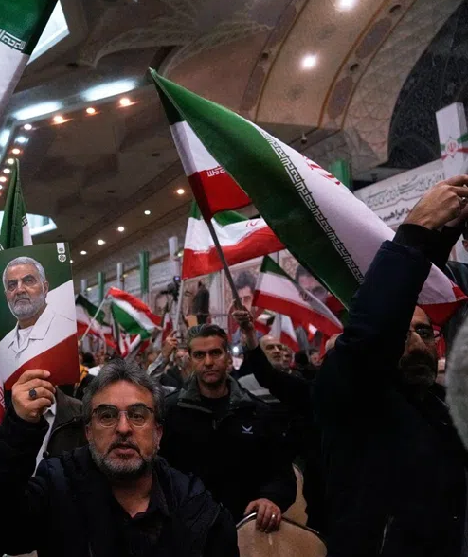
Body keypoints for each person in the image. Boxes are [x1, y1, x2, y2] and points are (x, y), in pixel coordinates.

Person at [314, 176, 468, 556]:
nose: (417, 343)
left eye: (425, 332)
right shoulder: (352, 398)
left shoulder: (440, 411)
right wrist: (415, 232)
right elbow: (373, 335)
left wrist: (443, 239)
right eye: (405, 332)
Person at [0, 360, 238, 557]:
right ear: (88, 432)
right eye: (107, 416)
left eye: (138, 415)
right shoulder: (57, 485)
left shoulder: (194, 505)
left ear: (158, 433)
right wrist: (19, 428)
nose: (123, 428)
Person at [160, 324, 295, 531]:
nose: (208, 362)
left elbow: (282, 473)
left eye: (215, 353)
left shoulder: (257, 412)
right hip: (186, 532)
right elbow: (155, 473)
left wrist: (270, 498)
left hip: (246, 530)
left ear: (228, 357)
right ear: (190, 358)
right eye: (199, 355)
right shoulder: (169, 412)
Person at [232, 308, 327, 533]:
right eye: (271, 348)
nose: (277, 352)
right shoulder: (241, 389)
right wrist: (250, 334)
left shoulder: (315, 390)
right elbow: (267, 375)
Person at [0, 257, 77, 389]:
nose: (20, 290)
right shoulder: (1, 348)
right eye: (12, 285)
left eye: (28, 281)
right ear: (7, 295)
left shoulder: (68, 332)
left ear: (45, 288)